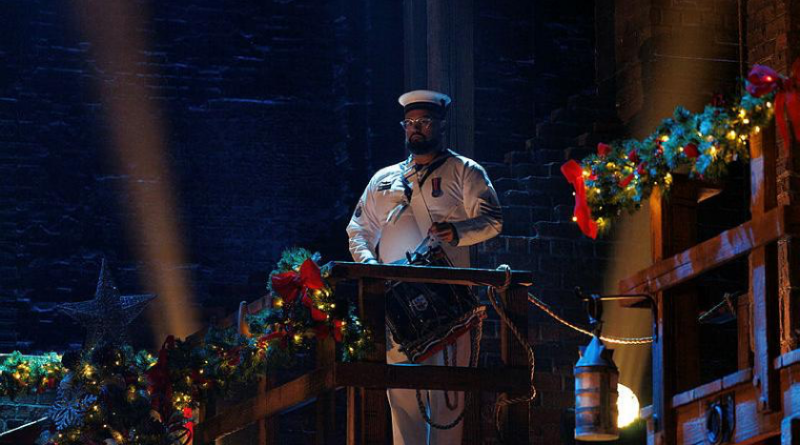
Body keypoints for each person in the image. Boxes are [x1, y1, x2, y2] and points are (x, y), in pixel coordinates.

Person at [346, 89, 503, 445]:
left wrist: (458, 231)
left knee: (448, 397)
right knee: (401, 397)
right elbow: (358, 229)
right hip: (396, 306)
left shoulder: (464, 171)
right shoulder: (383, 179)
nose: (416, 129)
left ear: (440, 125)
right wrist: (371, 267)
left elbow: (492, 219)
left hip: (449, 303)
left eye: (424, 122)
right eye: (410, 123)